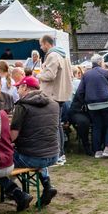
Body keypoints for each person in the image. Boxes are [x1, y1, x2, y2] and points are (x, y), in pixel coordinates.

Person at [10, 75, 60, 205]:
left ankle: (15, 192)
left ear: (25, 87)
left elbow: (13, 136)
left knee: (3, 158)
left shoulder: (22, 105)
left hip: (31, 157)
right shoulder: (54, 104)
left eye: (18, 88)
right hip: (54, 155)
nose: (17, 91)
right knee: (38, 150)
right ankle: (47, 185)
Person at [75, 54, 108, 159]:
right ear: (101, 62)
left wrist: (85, 102)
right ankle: (107, 148)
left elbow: (79, 92)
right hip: (106, 102)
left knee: (97, 126)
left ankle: (97, 151)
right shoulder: (105, 72)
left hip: (92, 104)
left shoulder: (86, 75)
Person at [38, 34, 73, 166]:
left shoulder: (52, 55)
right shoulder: (64, 55)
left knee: (54, 126)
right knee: (57, 125)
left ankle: (58, 155)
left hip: (52, 94)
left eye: (41, 45)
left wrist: (39, 75)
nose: (41, 48)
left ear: (47, 43)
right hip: (61, 94)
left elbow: (50, 75)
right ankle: (60, 154)